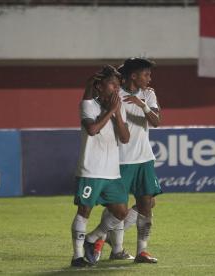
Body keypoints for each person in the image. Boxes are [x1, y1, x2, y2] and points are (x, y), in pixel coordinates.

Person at [96, 57, 162, 263]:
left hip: (144, 159)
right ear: (133, 75)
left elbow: (156, 122)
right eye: (146, 74)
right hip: (121, 160)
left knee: (147, 204)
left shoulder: (148, 94)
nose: (149, 78)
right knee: (117, 209)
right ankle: (107, 243)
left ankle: (142, 251)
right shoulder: (116, 94)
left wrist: (142, 105)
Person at [70, 65, 130, 267]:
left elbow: (125, 137)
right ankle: (77, 257)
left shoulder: (117, 108)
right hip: (91, 170)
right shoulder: (89, 105)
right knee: (84, 211)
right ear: (100, 86)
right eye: (112, 84)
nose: (116, 88)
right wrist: (111, 110)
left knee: (121, 212)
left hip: (111, 172)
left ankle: (92, 238)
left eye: (118, 85)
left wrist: (118, 114)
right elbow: (93, 129)